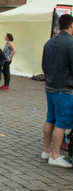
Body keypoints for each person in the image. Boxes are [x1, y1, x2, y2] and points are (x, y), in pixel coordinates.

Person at [41, 13, 73, 168]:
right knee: (61, 122)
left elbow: (44, 66)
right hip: (64, 88)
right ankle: (55, 155)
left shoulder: (49, 43)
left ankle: (46, 151)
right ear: (71, 25)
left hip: (50, 86)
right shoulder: (70, 43)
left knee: (50, 119)